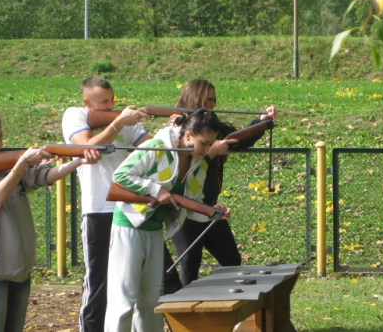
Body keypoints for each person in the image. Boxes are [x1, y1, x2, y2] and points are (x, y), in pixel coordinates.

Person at [0, 109, 102, 332]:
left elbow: (41, 176)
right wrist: (21, 164)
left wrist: (77, 161)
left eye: (0, 136)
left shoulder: (3, 166)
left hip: (19, 268)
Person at [104, 109, 230, 332]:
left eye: (211, 144)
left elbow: (191, 204)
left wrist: (210, 210)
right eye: (204, 143)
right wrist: (155, 189)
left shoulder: (199, 163)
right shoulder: (157, 146)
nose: (207, 149)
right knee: (123, 301)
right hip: (128, 225)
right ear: (188, 135)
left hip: (155, 231)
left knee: (152, 301)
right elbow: (120, 176)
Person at [61, 76, 152, 332]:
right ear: (87, 103)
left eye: (113, 99)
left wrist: (173, 131)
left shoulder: (125, 122)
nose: (111, 105)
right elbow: (88, 145)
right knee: (98, 285)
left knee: (138, 281)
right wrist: (119, 121)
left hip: (130, 211)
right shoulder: (74, 115)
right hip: (98, 210)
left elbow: (154, 147)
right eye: (104, 101)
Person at [167, 79, 277, 287]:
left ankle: (225, 309)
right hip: (186, 207)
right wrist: (211, 152)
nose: (213, 105)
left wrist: (261, 121)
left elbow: (239, 139)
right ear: (196, 100)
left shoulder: (213, 126)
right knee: (190, 265)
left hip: (210, 206)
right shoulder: (178, 130)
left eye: (214, 100)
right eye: (208, 100)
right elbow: (187, 171)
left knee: (232, 261)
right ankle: (185, 315)